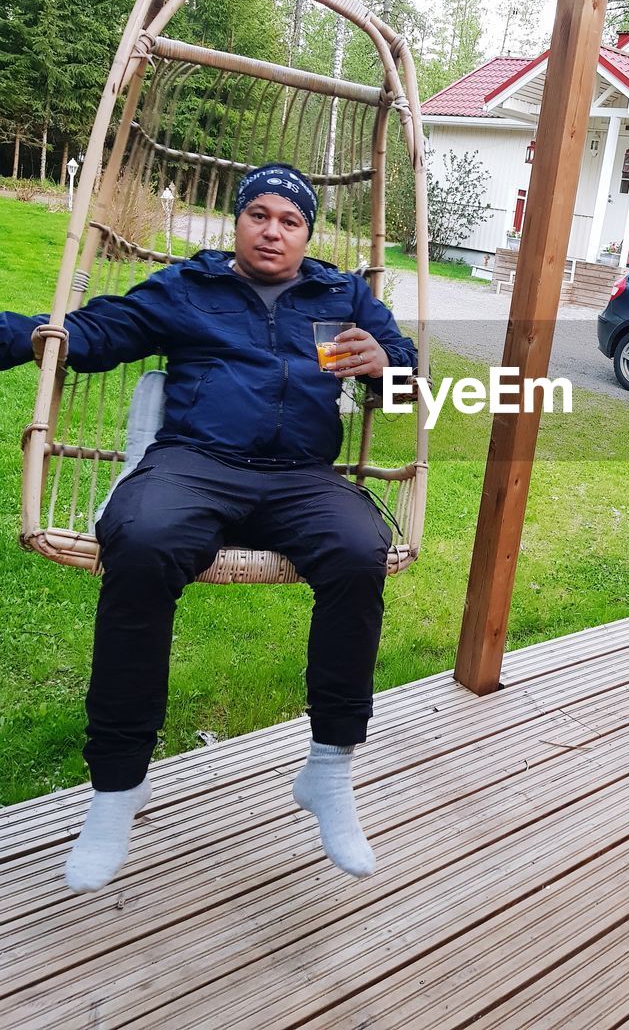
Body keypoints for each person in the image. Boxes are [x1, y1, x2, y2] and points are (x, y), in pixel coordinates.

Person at [0, 162, 417, 893]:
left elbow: (409, 383)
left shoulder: (341, 294)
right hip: (198, 461)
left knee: (359, 549)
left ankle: (328, 768)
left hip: (299, 476)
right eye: (259, 214)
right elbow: (98, 332)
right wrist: (28, 335)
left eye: (290, 220)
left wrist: (387, 365)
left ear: (307, 233)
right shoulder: (189, 289)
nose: (273, 230)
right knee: (143, 540)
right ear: (238, 221)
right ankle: (119, 787)